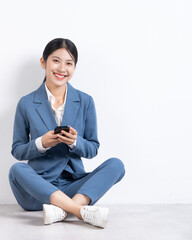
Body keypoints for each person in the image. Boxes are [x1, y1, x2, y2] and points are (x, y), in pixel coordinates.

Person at [8, 38, 126, 228]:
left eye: (69, 63)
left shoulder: (85, 101)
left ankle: (62, 211)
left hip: (73, 187)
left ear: (74, 67)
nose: (62, 68)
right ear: (43, 62)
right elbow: (17, 150)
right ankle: (80, 211)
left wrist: (75, 142)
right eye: (56, 60)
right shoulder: (26, 103)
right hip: (37, 191)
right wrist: (42, 143)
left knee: (116, 165)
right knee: (16, 170)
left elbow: (92, 148)